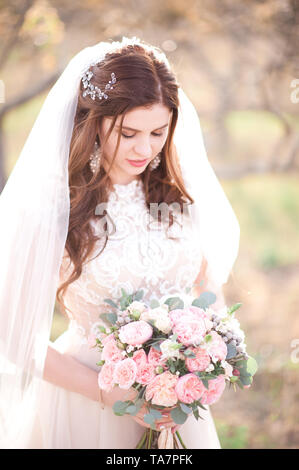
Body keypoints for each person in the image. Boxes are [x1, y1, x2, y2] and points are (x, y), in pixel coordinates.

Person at [0, 36, 240, 449]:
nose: (145, 149)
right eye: (128, 132)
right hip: (86, 401)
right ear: (93, 122)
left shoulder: (177, 197)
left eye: (158, 132)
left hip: (174, 406)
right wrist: (105, 391)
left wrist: (211, 352)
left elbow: (205, 287)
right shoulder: (54, 209)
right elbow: (12, 337)